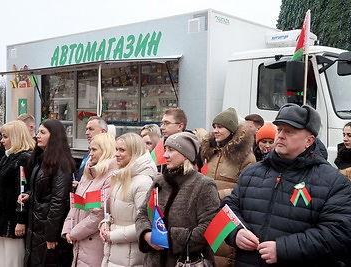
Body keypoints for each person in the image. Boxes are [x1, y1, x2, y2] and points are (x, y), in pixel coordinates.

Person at [223, 103, 351, 266]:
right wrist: (235, 232)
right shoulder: (251, 173)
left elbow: (339, 234)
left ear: (309, 140)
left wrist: (284, 249)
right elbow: (226, 210)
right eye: (279, 129)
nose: (281, 135)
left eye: (289, 131)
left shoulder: (333, 182)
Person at [136, 132, 220, 266]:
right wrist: (147, 234)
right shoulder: (159, 181)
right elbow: (143, 213)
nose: (165, 155)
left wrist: (168, 238)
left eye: (171, 150)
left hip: (186, 262)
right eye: (165, 149)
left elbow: (208, 228)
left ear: (186, 155)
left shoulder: (204, 185)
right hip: (154, 261)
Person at [200, 107, 256, 267]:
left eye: (220, 127)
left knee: (223, 257)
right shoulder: (211, 153)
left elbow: (247, 189)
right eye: (214, 127)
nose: (215, 131)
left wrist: (218, 194)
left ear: (231, 130)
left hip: (228, 213)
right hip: (206, 212)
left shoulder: (246, 157)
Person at [18, 118, 76, 266]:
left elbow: (58, 201)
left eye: (42, 132)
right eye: (38, 132)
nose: (37, 135)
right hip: (36, 226)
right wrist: (29, 195)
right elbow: (43, 190)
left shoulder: (61, 163)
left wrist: (51, 235)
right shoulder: (42, 160)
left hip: (46, 230)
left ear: (54, 136)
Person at [99, 133, 157, 266]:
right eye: (116, 149)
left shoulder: (143, 182)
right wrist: (105, 223)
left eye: (122, 150)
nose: (117, 154)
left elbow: (144, 223)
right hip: (115, 253)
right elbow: (116, 214)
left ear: (134, 152)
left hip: (132, 255)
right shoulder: (121, 176)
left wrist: (112, 236)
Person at [62, 133, 116, 266]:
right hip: (79, 240)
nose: (90, 154)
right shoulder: (88, 174)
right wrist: (67, 230)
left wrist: (74, 233)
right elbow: (76, 205)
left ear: (105, 150)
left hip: (95, 241)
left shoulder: (110, 177)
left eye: (94, 150)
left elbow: (99, 213)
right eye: (89, 149)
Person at [0, 120, 35, 267]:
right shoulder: (9, 156)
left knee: (13, 261)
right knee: (2, 259)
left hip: (12, 220)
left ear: (16, 137)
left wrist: (20, 220)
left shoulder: (23, 158)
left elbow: (23, 190)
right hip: (2, 218)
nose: (2, 140)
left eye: (5, 137)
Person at [76, 116, 108, 182]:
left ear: (103, 131)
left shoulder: (108, 156)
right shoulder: (87, 155)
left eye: (91, 129)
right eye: (86, 129)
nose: (87, 133)